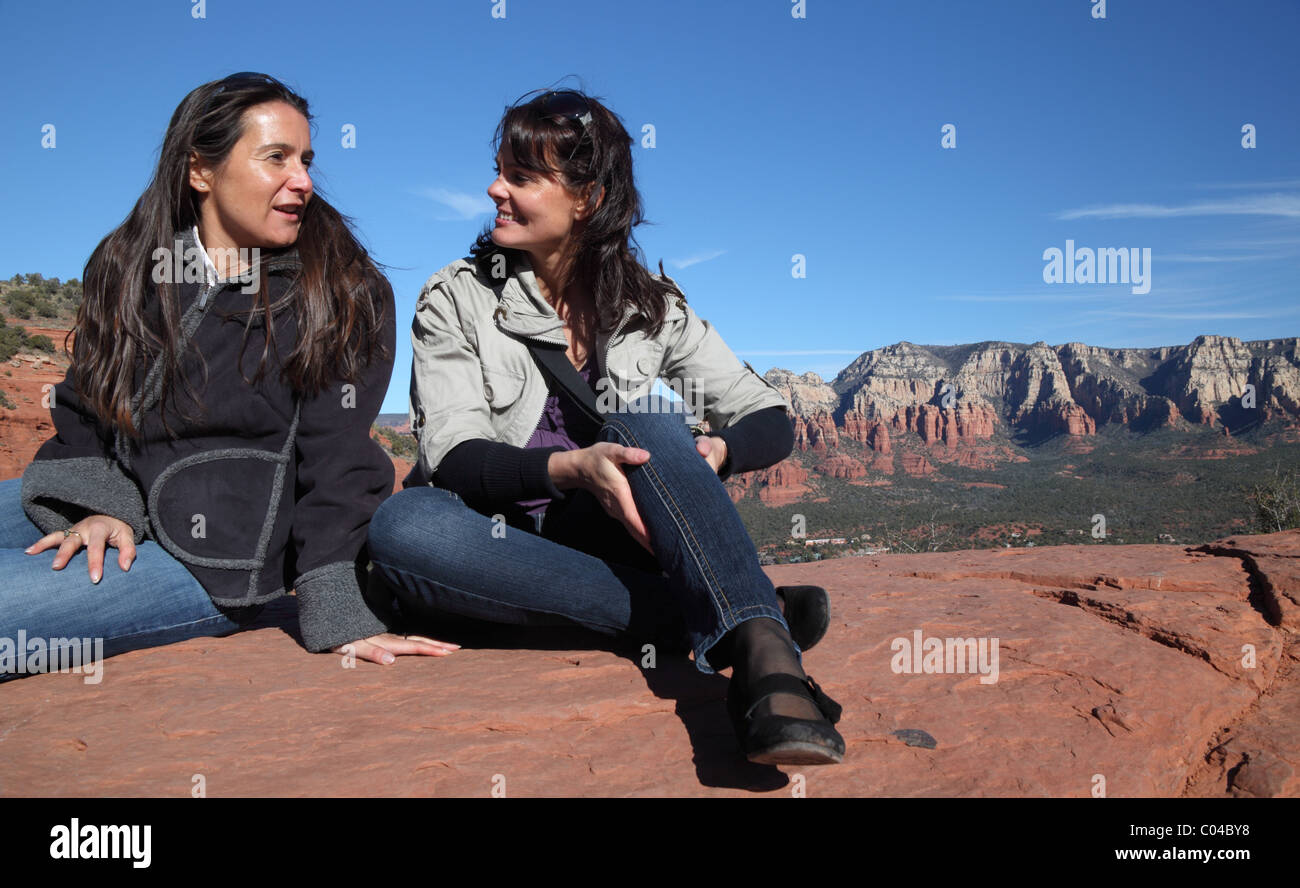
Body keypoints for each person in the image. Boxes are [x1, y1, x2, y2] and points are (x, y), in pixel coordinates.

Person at [368, 89, 845, 764]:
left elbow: (766, 415)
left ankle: (765, 655)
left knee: (649, 417)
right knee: (402, 527)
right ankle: (747, 617)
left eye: (521, 177)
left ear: (587, 198)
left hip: (612, 541)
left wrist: (719, 452)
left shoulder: (650, 305)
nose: (493, 188)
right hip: (497, 545)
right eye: (499, 168)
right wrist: (571, 469)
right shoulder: (458, 296)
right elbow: (454, 457)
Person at [0, 72, 456, 680]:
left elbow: (338, 458)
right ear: (200, 170)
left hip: (214, 557)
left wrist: (339, 610)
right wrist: (97, 507)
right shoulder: (131, 264)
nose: (304, 182)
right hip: (116, 503)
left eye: (307, 160)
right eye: (277, 159)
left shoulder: (342, 288)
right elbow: (86, 406)